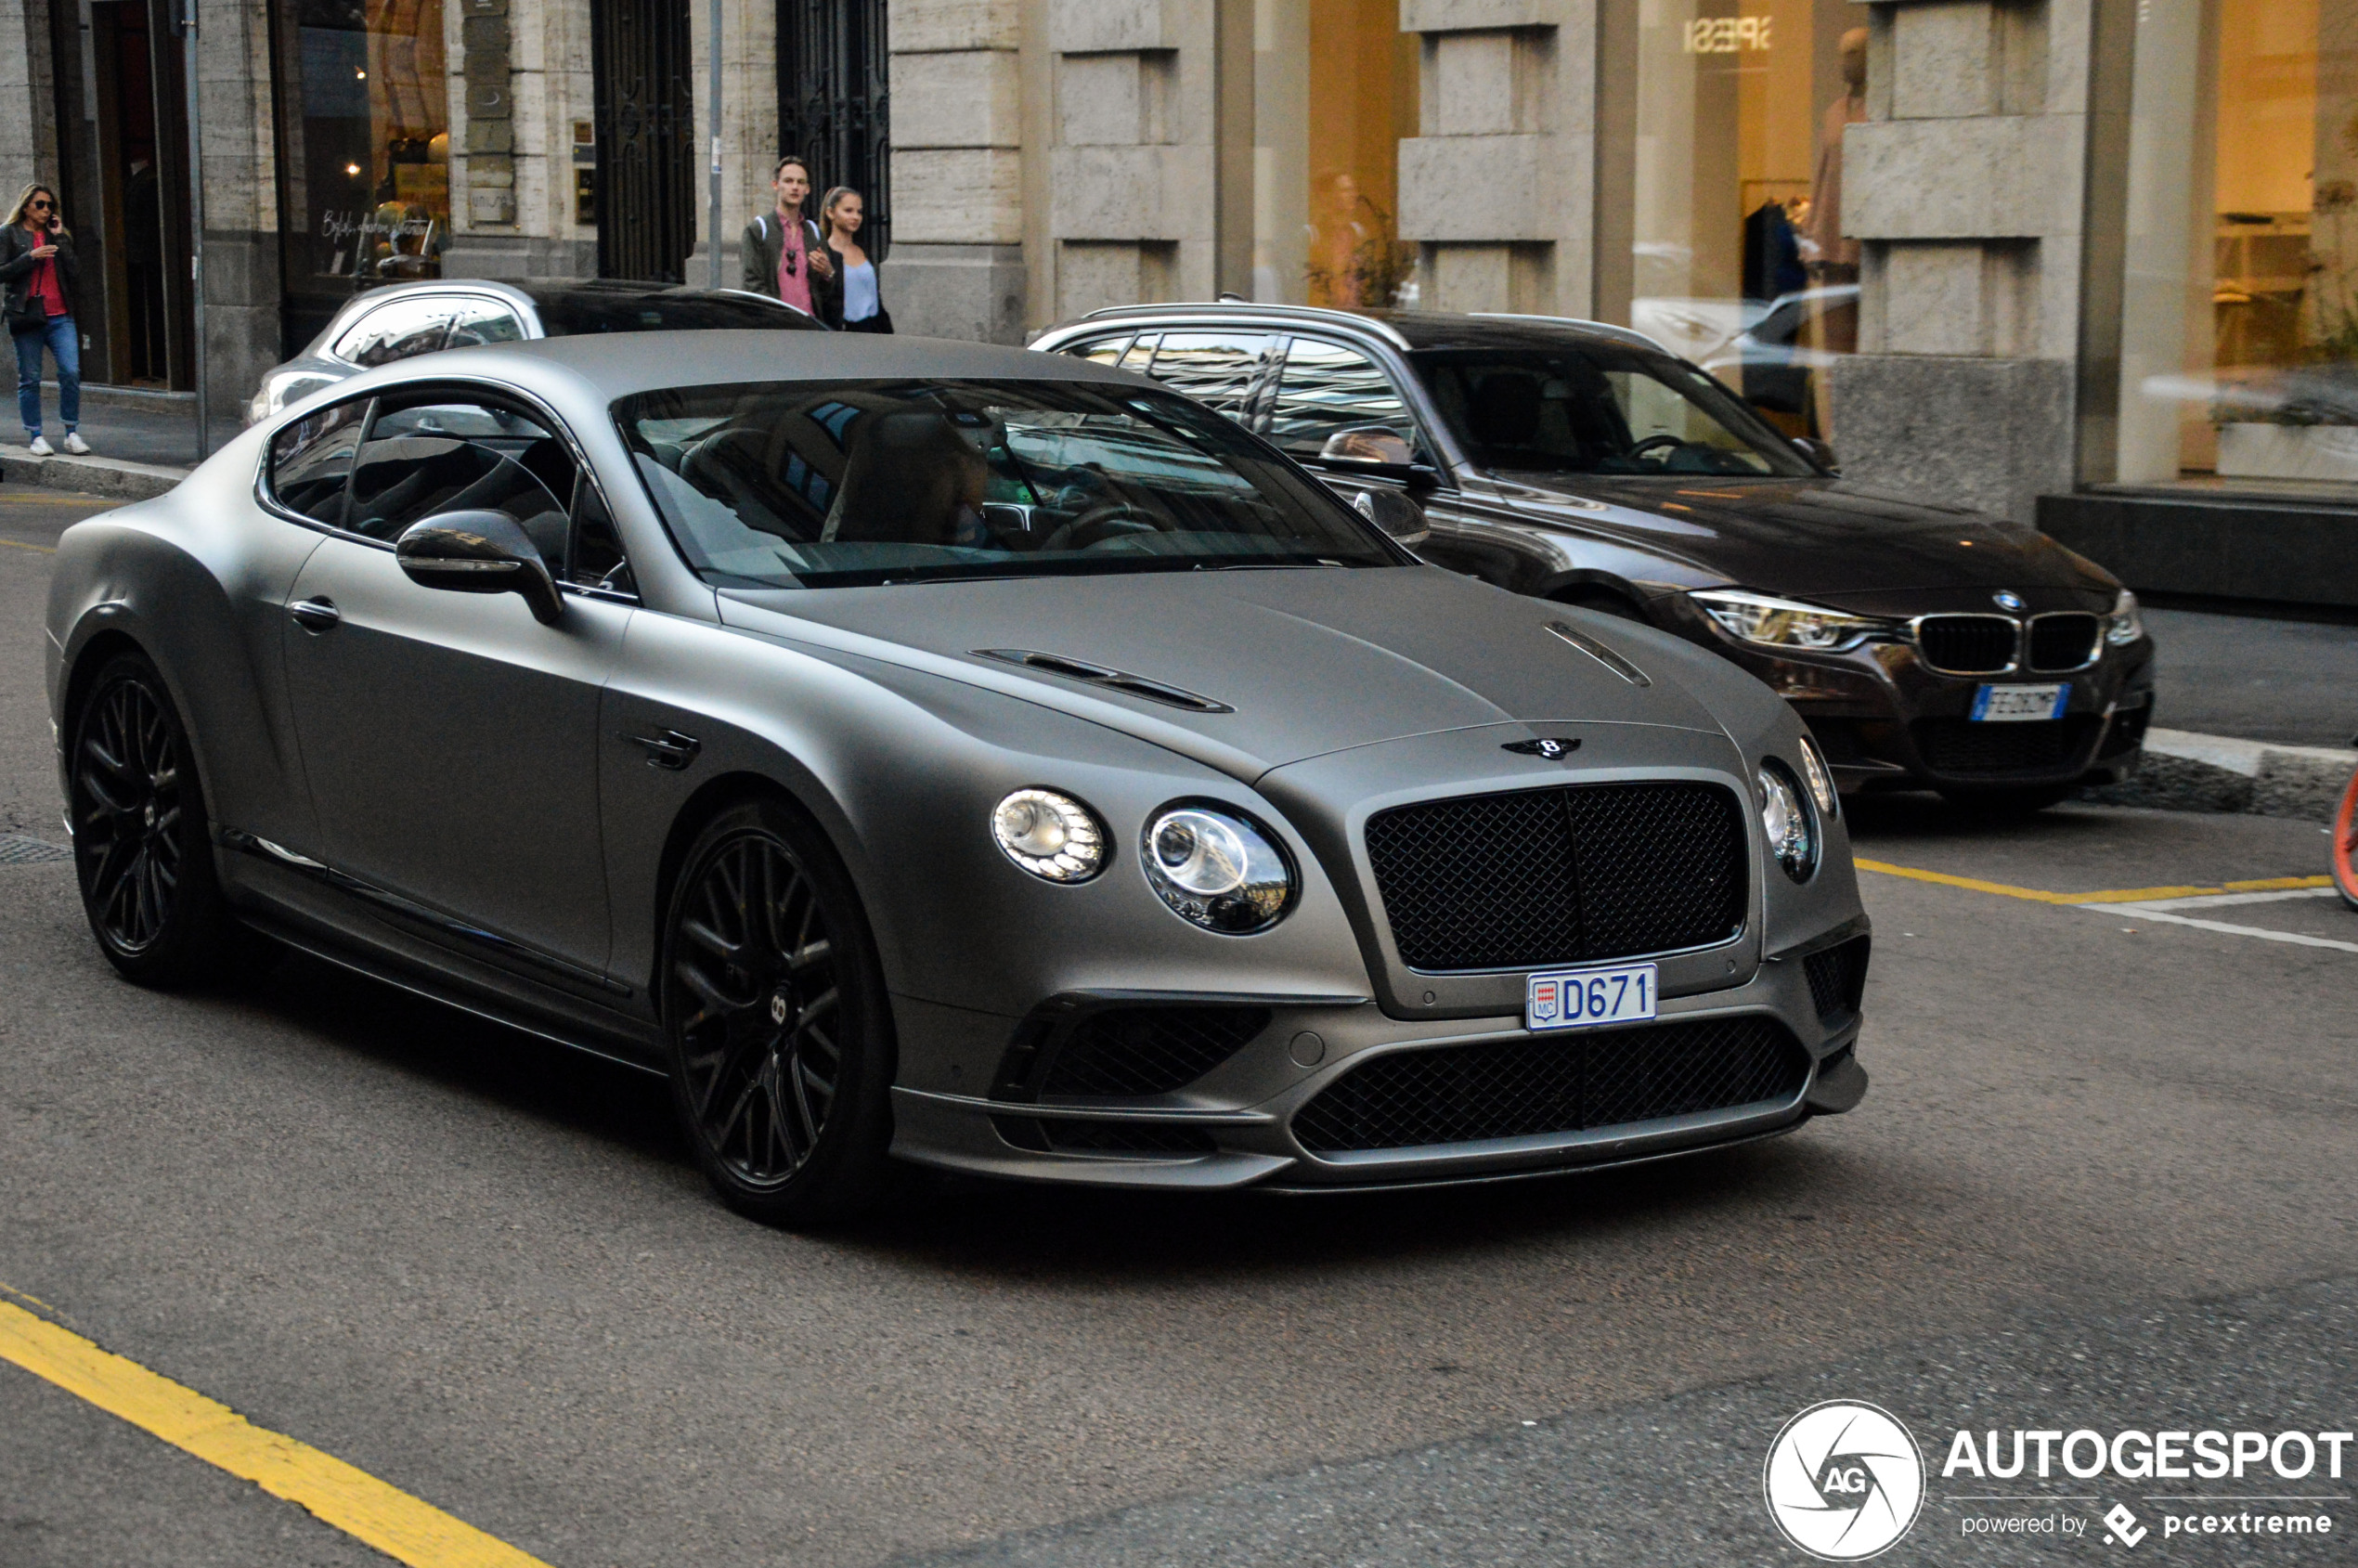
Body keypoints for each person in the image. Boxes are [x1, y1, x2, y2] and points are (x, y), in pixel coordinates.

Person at [2, 184, 88, 456]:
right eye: (40, 204)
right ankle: (36, 435)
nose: (46, 210)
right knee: (30, 378)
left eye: (50, 205)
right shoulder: (9, 234)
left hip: (60, 316)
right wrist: (30, 257)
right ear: (26, 206)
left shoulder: (57, 235)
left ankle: (71, 431)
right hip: (28, 316)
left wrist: (60, 238)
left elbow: (75, 272)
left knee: (71, 373)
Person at [740, 154, 837, 325]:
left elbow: (824, 294)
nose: (795, 187)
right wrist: (779, 316)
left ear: (807, 189)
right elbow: (752, 285)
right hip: (775, 325)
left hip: (810, 324)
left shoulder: (814, 233)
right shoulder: (758, 230)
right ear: (776, 185)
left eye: (800, 182)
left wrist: (828, 273)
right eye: (788, 181)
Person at [819, 186, 891, 333]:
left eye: (859, 212)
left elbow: (874, 295)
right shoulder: (824, 254)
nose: (856, 217)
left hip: (873, 328)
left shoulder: (863, 249)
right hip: (844, 332)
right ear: (831, 213)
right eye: (848, 211)